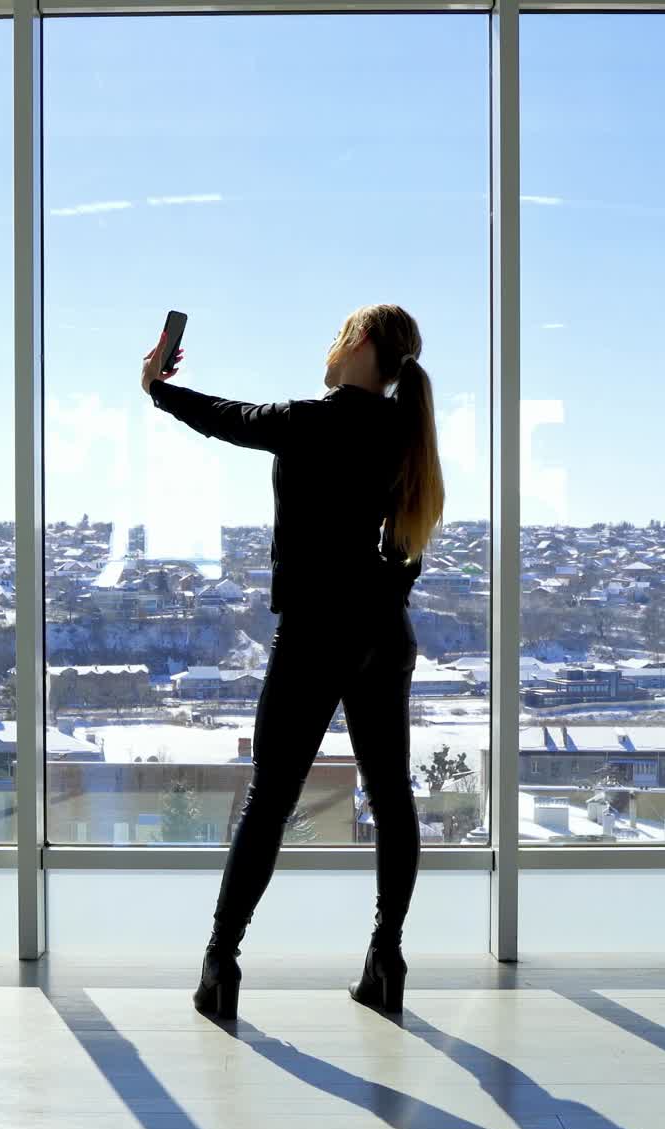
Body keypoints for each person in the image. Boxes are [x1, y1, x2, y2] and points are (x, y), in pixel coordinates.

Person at [141, 303, 445, 1019]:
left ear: (361, 343)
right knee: (393, 798)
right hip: (385, 633)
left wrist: (158, 387)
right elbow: (405, 557)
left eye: (340, 337)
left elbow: (227, 418)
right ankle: (386, 957)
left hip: (316, 634)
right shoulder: (408, 434)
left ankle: (222, 961)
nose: (329, 349)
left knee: (269, 800)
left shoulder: (315, 421)